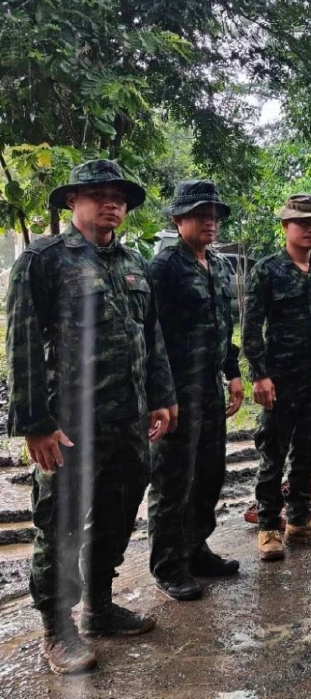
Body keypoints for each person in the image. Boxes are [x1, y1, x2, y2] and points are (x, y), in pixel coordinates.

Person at [6, 160, 177, 674]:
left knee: (118, 512)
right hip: (69, 425)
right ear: (72, 202)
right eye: (100, 194)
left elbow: (151, 334)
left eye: (120, 197)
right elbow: (21, 344)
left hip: (128, 418)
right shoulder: (44, 260)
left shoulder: (131, 261)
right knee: (59, 524)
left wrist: (163, 395)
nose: (112, 204)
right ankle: (57, 630)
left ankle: (99, 607)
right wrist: (35, 422)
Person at [146, 181, 245, 601]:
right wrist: (158, 396)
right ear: (178, 220)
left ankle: (195, 549)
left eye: (215, 216)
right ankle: (169, 565)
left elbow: (225, 324)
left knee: (208, 475)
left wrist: (233, 371)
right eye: (201, 215)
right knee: (173, 480)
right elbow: (149, 336)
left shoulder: (219, 265)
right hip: (176, 393)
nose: (210, 222)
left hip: (210, 388)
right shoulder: (164, 266)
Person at [243, 194, 311, 562]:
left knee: (306, 452)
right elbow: (250, 326)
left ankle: (301, 521)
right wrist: (259, 375)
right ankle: (269, 527)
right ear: (285, 227)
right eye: (304, 222)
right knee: (273, 453)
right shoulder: (267, 270)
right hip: (280, 378)